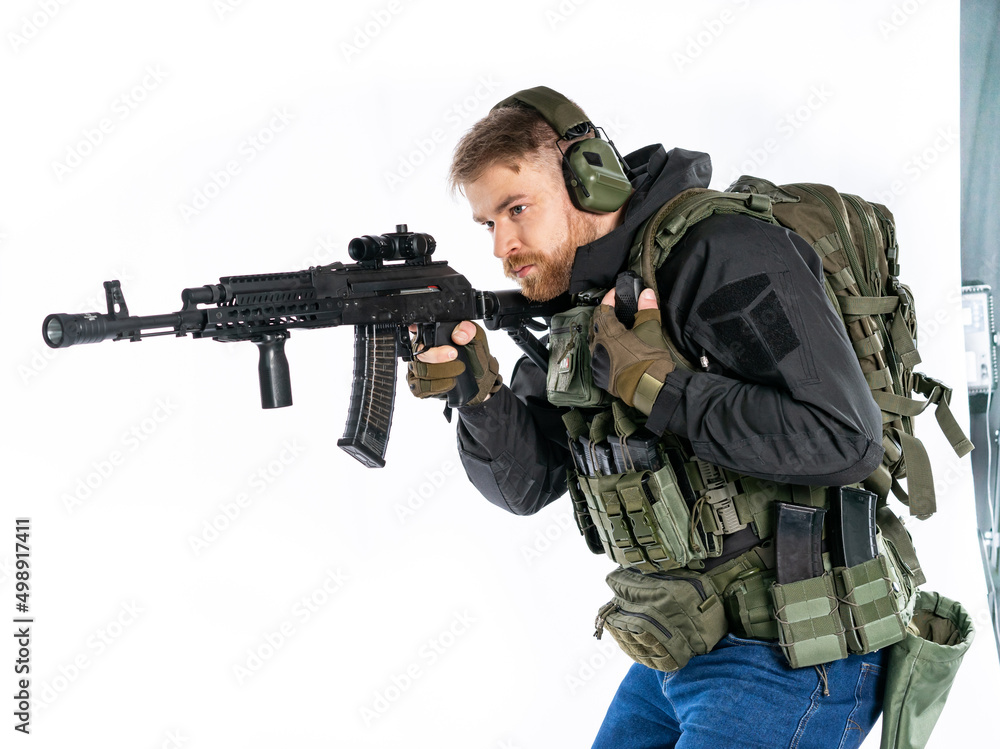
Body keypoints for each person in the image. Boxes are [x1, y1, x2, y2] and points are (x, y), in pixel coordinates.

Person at [406, 86, 891, 748]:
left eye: (519, 209)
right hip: (679, 638)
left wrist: (656, 386)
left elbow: (847, 439)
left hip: (794, 646)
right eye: (490, 224)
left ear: (591, 180)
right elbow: (529, 485)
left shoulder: (725, 253)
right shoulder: (582, 297)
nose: (503, 246)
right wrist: (479, 396)